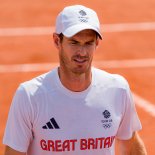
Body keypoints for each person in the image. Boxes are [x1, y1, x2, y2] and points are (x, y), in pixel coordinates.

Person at [3, 5, 147, 155]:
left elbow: (131, 148)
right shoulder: (30, 96)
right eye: (74, 42)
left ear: (97, 43)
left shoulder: (118, 90)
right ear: (57, 41)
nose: (82, 52)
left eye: (88, 43)